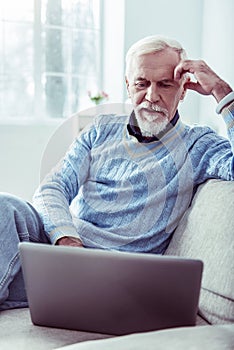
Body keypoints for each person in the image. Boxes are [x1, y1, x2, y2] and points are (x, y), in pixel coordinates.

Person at [0, 35, 234, 311]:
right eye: (141, 83)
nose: (151, 96)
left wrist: (222, 93)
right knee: (6, 206)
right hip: (63, 249)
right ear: (128, 85)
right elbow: (53, 187)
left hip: (113, 273)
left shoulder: (199, 145)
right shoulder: (101, 129)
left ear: (183, 89)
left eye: (165, 84)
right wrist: (67, 241)